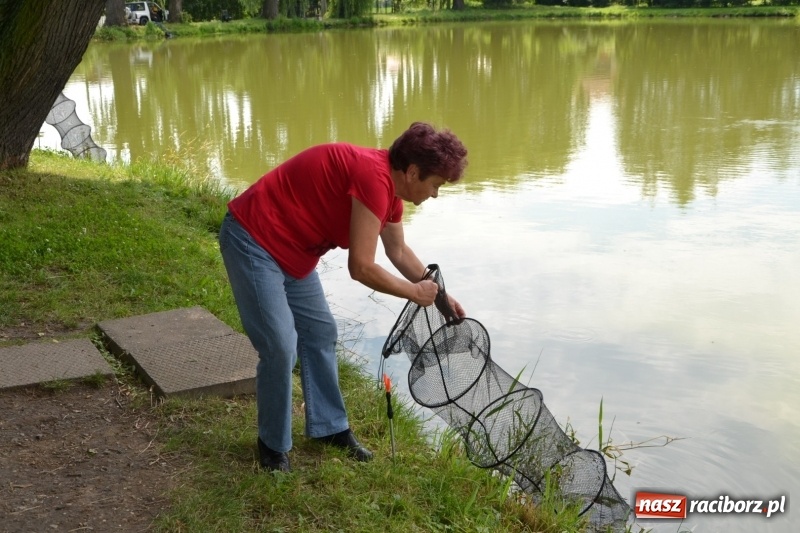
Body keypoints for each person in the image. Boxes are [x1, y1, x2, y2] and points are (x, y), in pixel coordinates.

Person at [218, 122, 468, 472]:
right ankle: (272, 446)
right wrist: (413, 292)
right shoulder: (373, 178)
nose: (436, 194)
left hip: (295, 255)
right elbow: (361, 267)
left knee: (321, 333)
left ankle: (329, 428)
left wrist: (440, 296)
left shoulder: (391, 192)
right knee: (280, 345)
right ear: (413, 172)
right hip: (254, 238)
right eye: (436, 184)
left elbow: (397, 251)